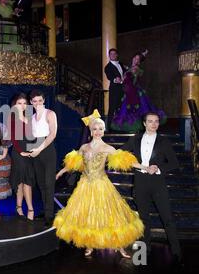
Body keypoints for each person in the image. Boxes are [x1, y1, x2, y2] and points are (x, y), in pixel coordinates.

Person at [53, 109, 144, 258]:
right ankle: (89, 244)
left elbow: (126, 160)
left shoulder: (108, 148)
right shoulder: (84, 148)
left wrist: (144, 167)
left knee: (110, 215)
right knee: (87, 214)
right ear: (91, 130)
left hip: (101, 185)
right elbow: (73, 164)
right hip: (85, 185)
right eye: (95, 129)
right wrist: (61, 172)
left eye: (101, 129)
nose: (98, 131)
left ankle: (119, 245)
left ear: (104, 130)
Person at [121, 112, 182, 263]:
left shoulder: (163, 141)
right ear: (144, 123)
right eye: (150, 121)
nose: (154, 124)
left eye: (156, 121)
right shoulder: (135, 139)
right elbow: (121, 154)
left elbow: (174, 162)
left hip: (158, 183)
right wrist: (137, 165)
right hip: (140, 182)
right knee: (143, 219)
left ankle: (176, 252)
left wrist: (159, 167)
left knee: (167, 218)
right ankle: (144, 251)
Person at [111, 51, 167, 132]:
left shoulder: (135, 69)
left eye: (138, 59)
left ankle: (137, 126)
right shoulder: (129, 68)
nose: (136, 60)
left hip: (134, 92)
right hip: (128, 92)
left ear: (139, 62)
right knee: (127, 110)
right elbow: (125, 80)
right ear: (133, 58)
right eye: (135, 58)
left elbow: (133, 80)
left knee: (138, 109)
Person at [28, 90, 58, 227]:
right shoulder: (32, 117)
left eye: (40, 100)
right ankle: (46, 211)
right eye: (35, 101)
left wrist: (39, 149)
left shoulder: (50, 114)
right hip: (36, 151)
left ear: (44, 101)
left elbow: (52, 135)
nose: (37, 103)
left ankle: (50, 215)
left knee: (49, 184)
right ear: (31, 102)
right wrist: (29, 151)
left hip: (47, 151)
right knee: (41, 184)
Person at [8, 93, 35, 220]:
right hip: (18, 153)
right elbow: (13, 138)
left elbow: (33, 136)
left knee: (27, 181)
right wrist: (20, 152)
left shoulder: (31, 116)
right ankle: (20, 207)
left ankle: (29, 208)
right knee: (20, 181)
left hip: (29, 152)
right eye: (19, 103)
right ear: (15, 104)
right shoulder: (12, 117)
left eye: (24, 103)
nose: (22, 106)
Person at [104, 48, 126, 130]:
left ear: (117, 55)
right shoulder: (107, 67)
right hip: (114, 89)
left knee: (121, 107)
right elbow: (110, 76)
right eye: (111, 54)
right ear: (109, 56)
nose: (112, 55)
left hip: (123, 89)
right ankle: (109, 127)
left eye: (114, 54)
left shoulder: (121, 64)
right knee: (112, 108)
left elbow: (125, 72)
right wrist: (115, 79)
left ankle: (120, 125)